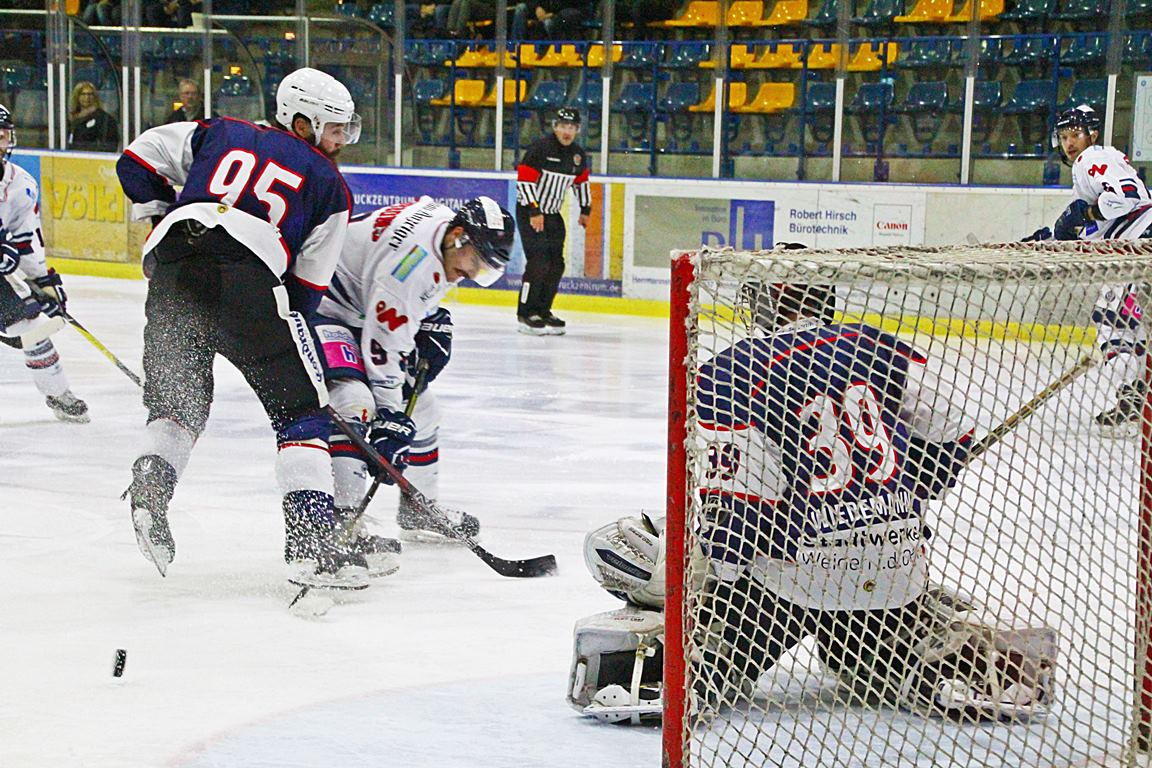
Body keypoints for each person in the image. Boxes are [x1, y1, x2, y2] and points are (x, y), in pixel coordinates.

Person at [570, 260, 1056, 724]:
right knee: (872, 641)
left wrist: (711, 583)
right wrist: (922, 474)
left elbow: (743, 507)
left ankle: (691, 670)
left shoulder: (733, 369)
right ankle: (936, 665)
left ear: (767, 304)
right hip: (892, 575)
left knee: (716, 631)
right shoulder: (881, 347)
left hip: (787, 584)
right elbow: (954, 434)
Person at [114, 67, 363, 591]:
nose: (342, 140)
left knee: (176, 407)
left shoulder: (218, 130)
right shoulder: (329, 185)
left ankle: (150, 489)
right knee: (300, 416)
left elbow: (135, 159)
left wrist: (162, 213)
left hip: (173, 266)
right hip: (249, 275)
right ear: (302, 122)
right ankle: (313, 548)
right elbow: (307, 293)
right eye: (335, 128)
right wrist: (270, 336)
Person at [313, 195, 515, 555]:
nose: (471, 274)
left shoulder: (442, 228)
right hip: (321, 304)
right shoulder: (412, 269)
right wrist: (390, 415)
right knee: (355, 401)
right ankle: (342, 523)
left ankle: (418, 509)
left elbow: (398, 301)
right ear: (458, 236)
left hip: (361, 303)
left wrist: (429, 316)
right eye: (475, 262)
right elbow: (381, 350)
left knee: (422, 412)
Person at [1027, 105, 1152, 430]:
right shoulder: (1096, 165)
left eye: (1075, 134)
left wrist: (1087, 214)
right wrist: (1049, 238)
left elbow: (1130, 197)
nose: (1069, 143)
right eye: (1064, 136)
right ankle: (1135, 397)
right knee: (1132, 327)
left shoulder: (1092, 158)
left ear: (1092, 134)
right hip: (1136, 251)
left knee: (1114, 323)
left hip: (1141, 248)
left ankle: (1132, 401)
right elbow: (1091, 228)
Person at [0, 104, 90, 424]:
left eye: (3, 134)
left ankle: (58, 393)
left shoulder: (20, 184)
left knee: (32, 326)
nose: (0, 140)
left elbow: (25, 238)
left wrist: (43, 280)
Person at [514, 106, 591, 335]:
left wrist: (585, 208)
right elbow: (525, 181)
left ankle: (544, 310)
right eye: (563, 126)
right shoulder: (540, 148)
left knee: (556, 264)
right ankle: (525, 313)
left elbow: (581, 183)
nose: (567, 131)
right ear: (555, 127)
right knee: (538, 263)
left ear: (577, 130)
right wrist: (534, 211)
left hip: (553, 214)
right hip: (531, 212)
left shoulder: (577, 155)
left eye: (571, 127)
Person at [67, 81, 119, 152]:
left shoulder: (103, 118)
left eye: (90, 94)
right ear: (77, 96)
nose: (87, 97)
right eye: (83, 94)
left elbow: (110, 145)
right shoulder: (72, 117)